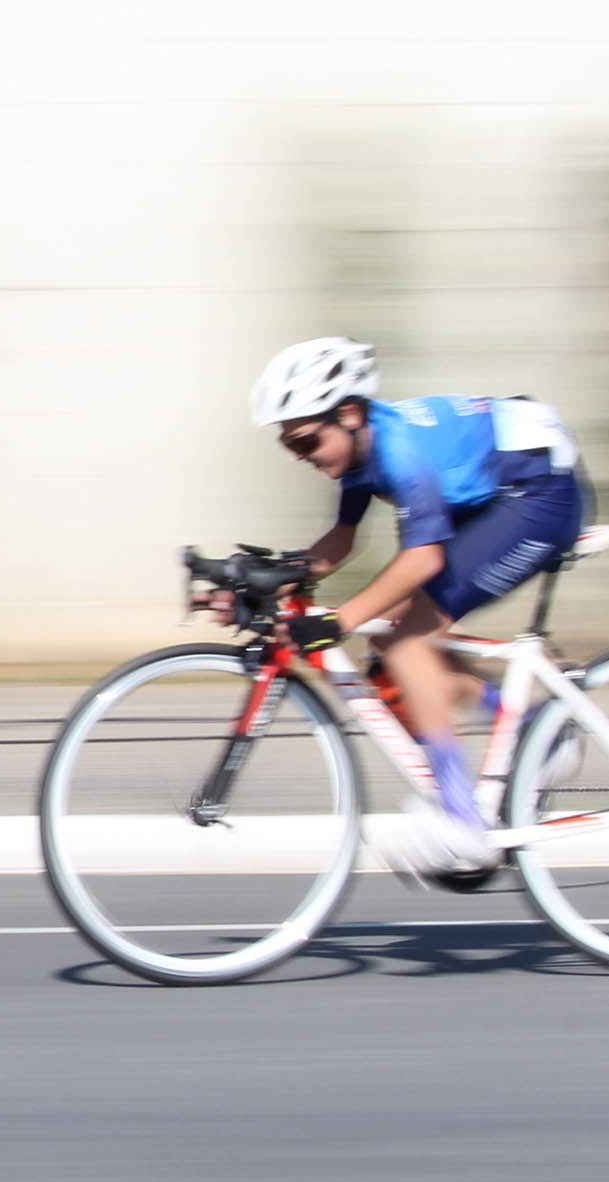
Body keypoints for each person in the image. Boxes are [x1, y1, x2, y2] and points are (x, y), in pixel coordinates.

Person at [250, 336, 585, 877]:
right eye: (290, 446)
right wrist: (269, 580)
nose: (301, 457)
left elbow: (423, 559)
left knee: (407, 640)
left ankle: (461, 820)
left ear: (349, 414)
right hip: (503, 490)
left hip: (540, 496)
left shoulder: (399, 450)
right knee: (392, 645)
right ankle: (533, 725)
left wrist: (336, 623)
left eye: (308, 442)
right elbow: (341, 541)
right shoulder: (359, 451)